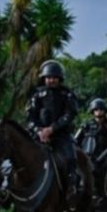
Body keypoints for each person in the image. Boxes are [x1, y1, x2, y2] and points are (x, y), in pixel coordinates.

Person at [25, 59, 82, 201]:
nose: (51, 80)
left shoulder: (67, 94)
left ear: (60, 78)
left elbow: (69, 115)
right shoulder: (36, 95)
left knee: (71, 158)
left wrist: (51, 129)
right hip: (38, 136)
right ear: (44, 78)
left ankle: (72, 188)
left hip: (61, 136)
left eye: (54, 78)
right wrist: (39, 130)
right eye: (49, 77)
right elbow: (30, 116)